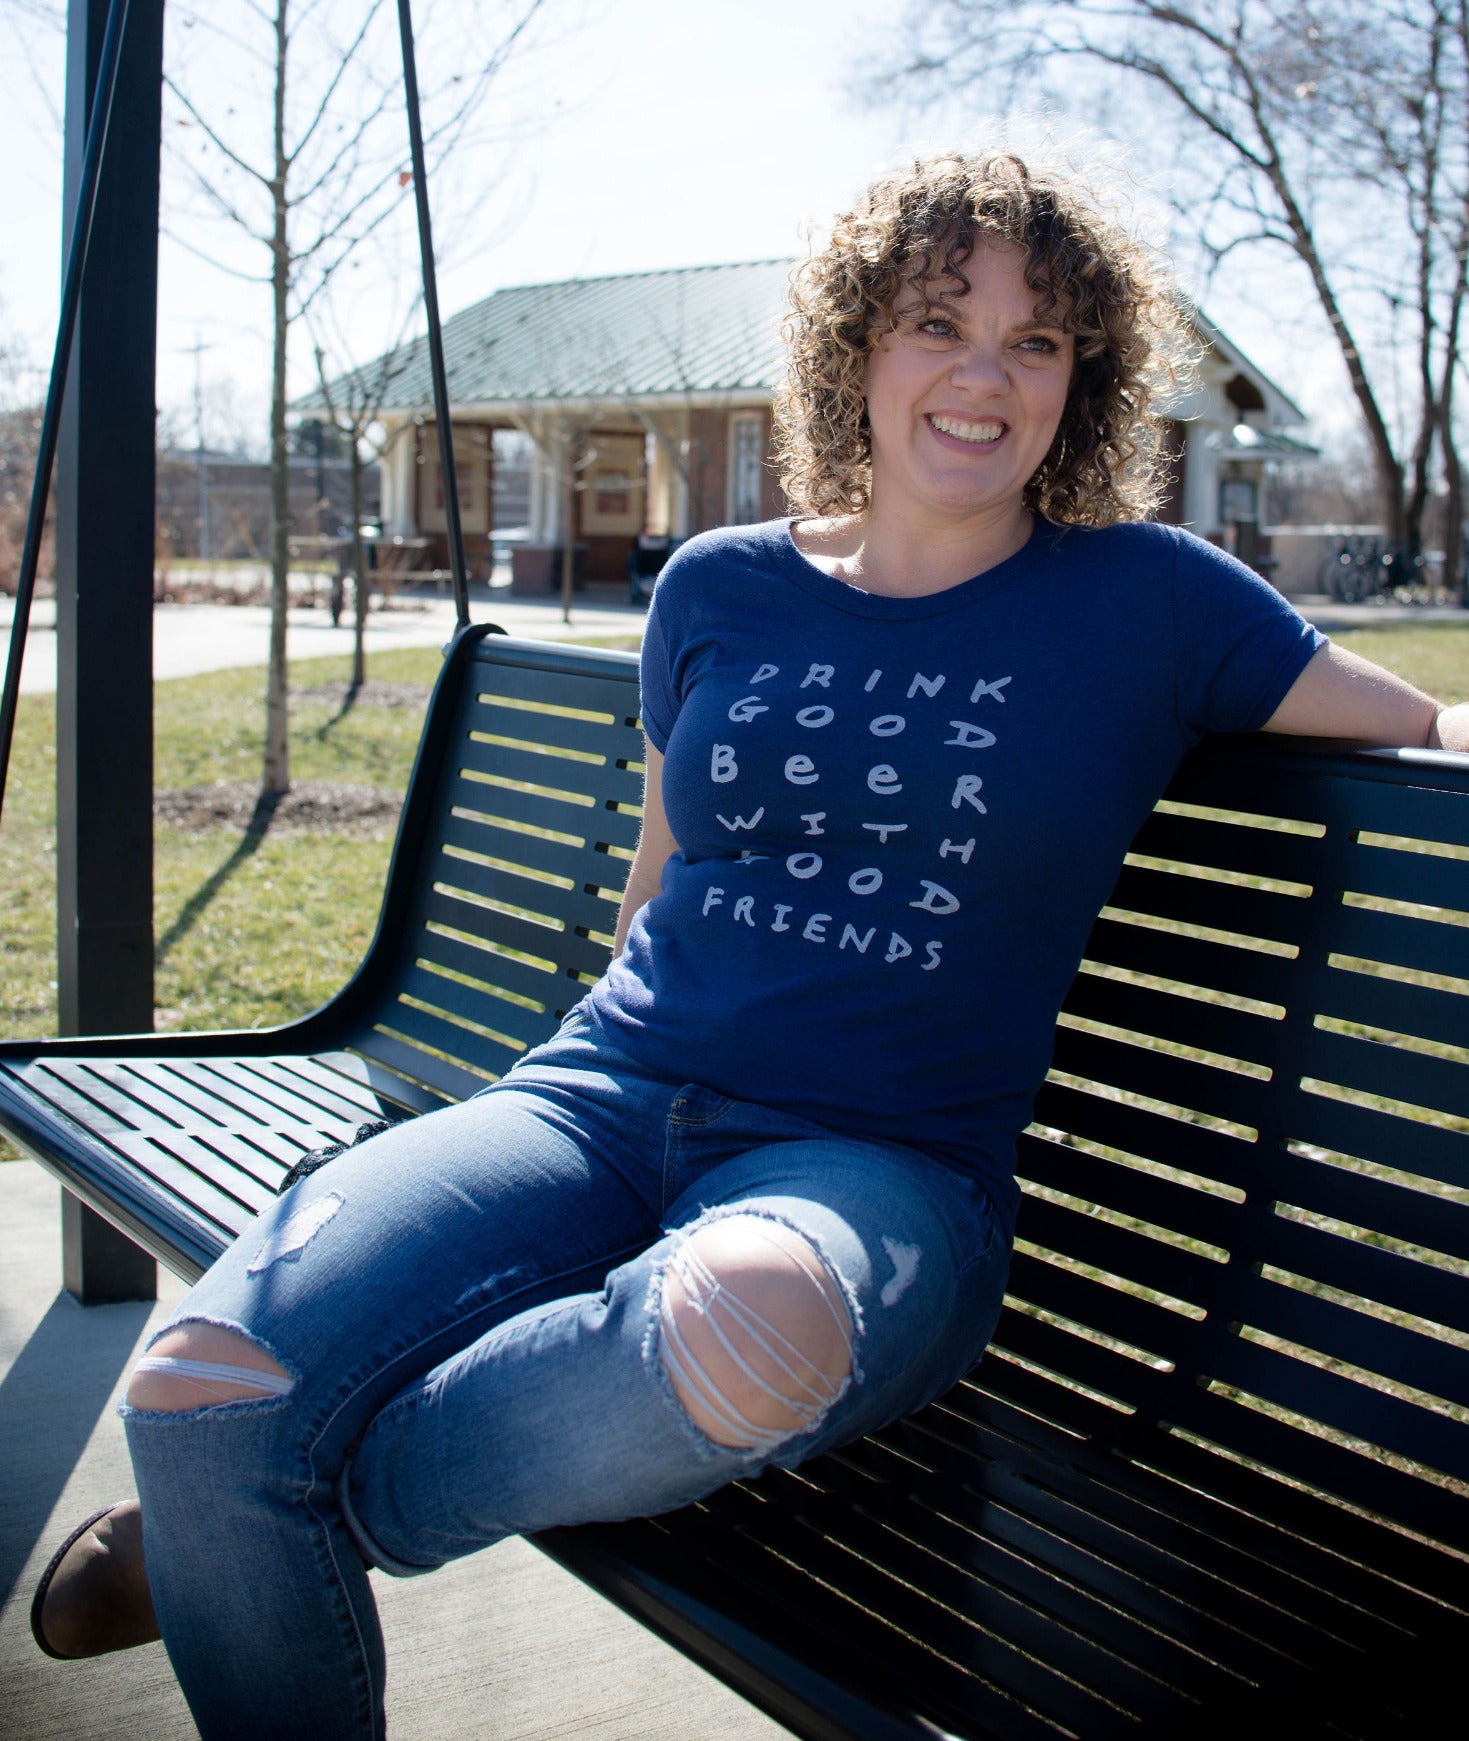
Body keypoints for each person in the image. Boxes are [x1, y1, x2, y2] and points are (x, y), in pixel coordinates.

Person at [32, 150, 1468, 1738]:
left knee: (727, 1334)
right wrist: (545, 1121)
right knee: (204, 1379)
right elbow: (661, 883)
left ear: (1087, 379)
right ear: (857, 345)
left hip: (878, 1173)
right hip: (594, 1101)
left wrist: (284, 1512)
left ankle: (257, 1536)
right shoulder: (718, 585)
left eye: (1035, 341)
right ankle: (242, 1511)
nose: (981, 377)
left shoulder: (1149, 599)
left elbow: (1423, 724)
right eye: (938, 322)